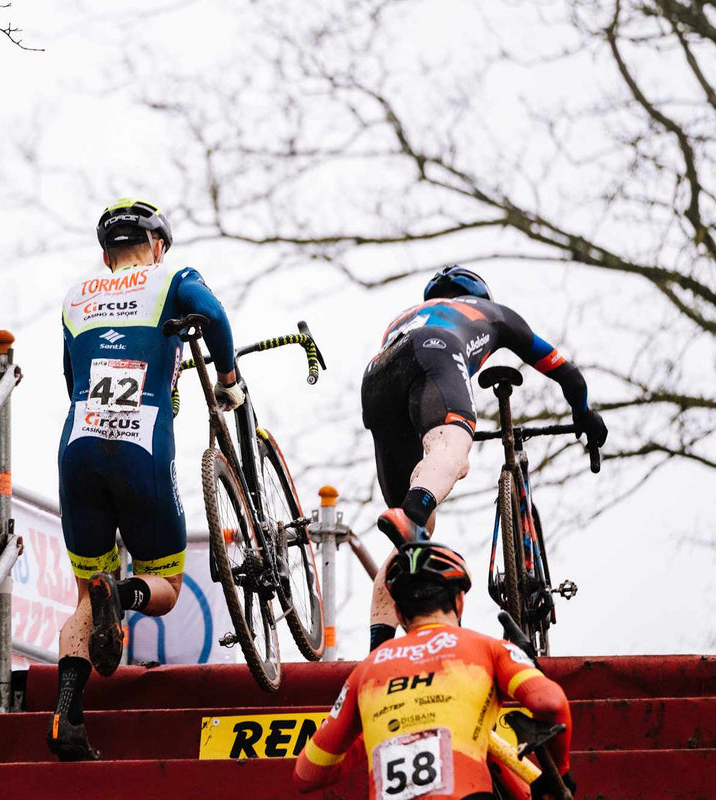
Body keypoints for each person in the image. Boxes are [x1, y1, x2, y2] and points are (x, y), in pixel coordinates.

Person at [47, 198, 244, 760]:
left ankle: (67, 714)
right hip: (142, 447)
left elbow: (69, 377)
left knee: (87, 592)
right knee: (165, 586)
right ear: (157, 244)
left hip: (78, 445)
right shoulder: (171, 277)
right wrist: (228, 377)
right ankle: (127, 594)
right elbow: (216, 317)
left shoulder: (76, 296)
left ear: (106, 252)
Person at [360, 265, 607, 650]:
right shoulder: (492, 313)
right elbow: (566, 372)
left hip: (376, 377)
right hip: (433, 350)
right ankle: (411, 514)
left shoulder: (402, 317)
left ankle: (378, 648)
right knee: (451, 448)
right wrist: (584, 414)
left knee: (413, 538)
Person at [294, 542, 575, 800]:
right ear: (459, 602)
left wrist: (378, 732)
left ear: (400, 614)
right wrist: (559, 773)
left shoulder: (365, 672)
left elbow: (308, 773)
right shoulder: (487, 648)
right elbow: (549, 703)